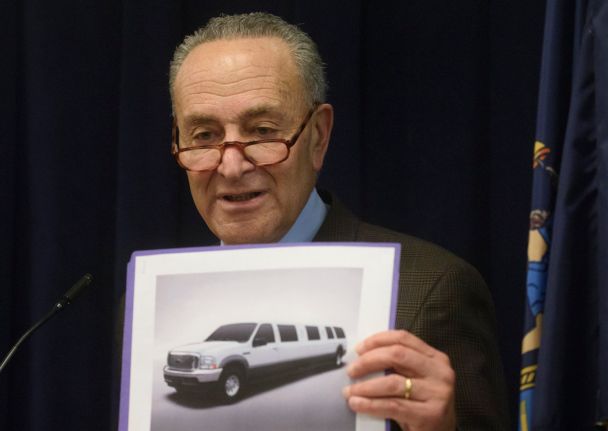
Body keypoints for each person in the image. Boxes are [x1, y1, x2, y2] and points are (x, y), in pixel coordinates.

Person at [167, 12, 509, 431]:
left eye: (261, 130)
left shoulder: (432, 291)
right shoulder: (156, 312)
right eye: (204, 135)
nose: (232, 165)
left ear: (318, 137)